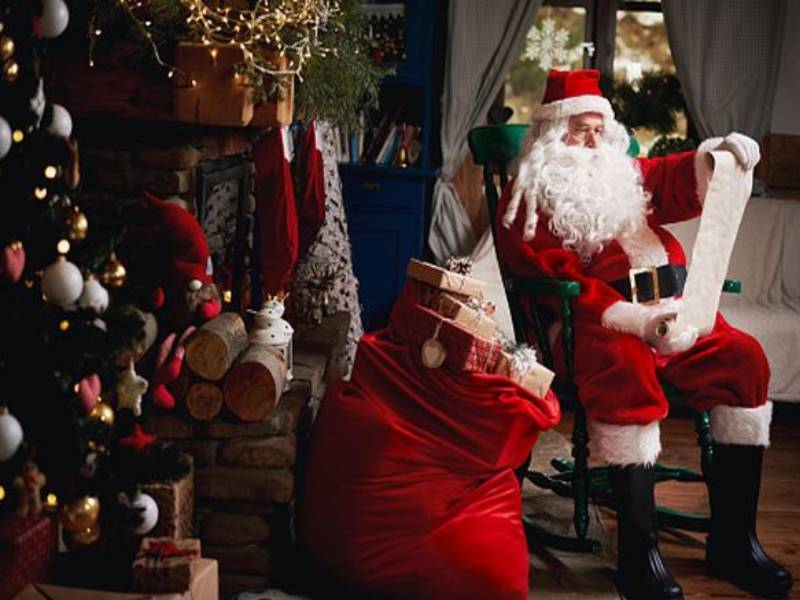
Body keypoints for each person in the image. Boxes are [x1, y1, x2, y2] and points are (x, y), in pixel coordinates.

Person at [497, 68, 793, 600]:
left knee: (744, 358)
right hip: (595, 327)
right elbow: (549, 276)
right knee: (626, 367)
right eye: (579, 131)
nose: (592, 142)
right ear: (551, 136)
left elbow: (676, 178)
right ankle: (639, 556)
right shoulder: (529, 198)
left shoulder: (625, 175)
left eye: (598, 130)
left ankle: (734, 541)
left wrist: (718, 156)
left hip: (676, 313)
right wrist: (634, 320)